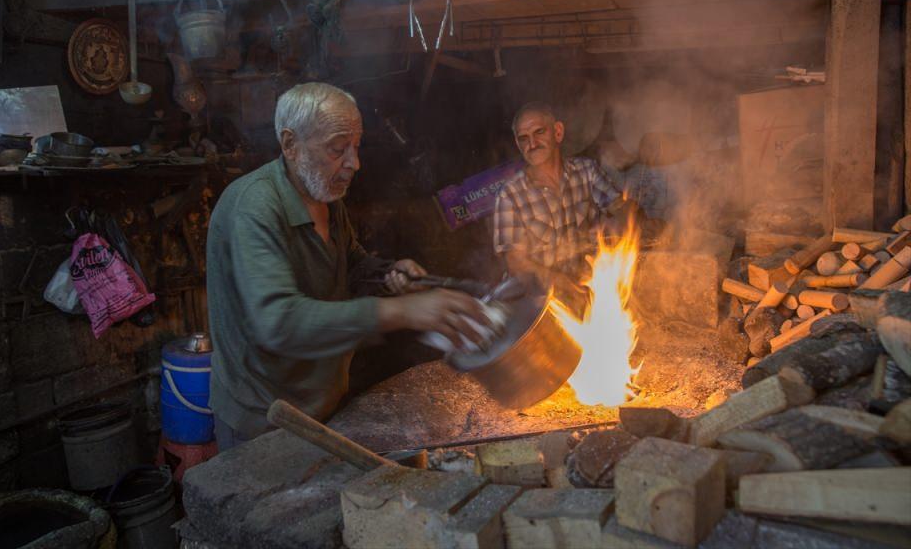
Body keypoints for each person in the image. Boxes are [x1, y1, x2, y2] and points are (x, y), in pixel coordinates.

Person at [207, 82, 490, 450]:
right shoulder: (254, 208)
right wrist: (401, 311)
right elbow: (277, 321)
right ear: (290, 145)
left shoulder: (324, 194)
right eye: (338, 148)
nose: (354, 163)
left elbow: (351, 262)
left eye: (356, 147)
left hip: (322, 401)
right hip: (265, 418)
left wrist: (389, 274)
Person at [493, 101, 641, 302]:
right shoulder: (509, 195)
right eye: (524, 139)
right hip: (539, 302)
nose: (532, 144)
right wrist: (561, 284)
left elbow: (618, 206)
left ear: (558, 132)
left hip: (584, 285)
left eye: (539, 132)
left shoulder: (586, 171)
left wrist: (629, 226)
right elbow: (515, 262)